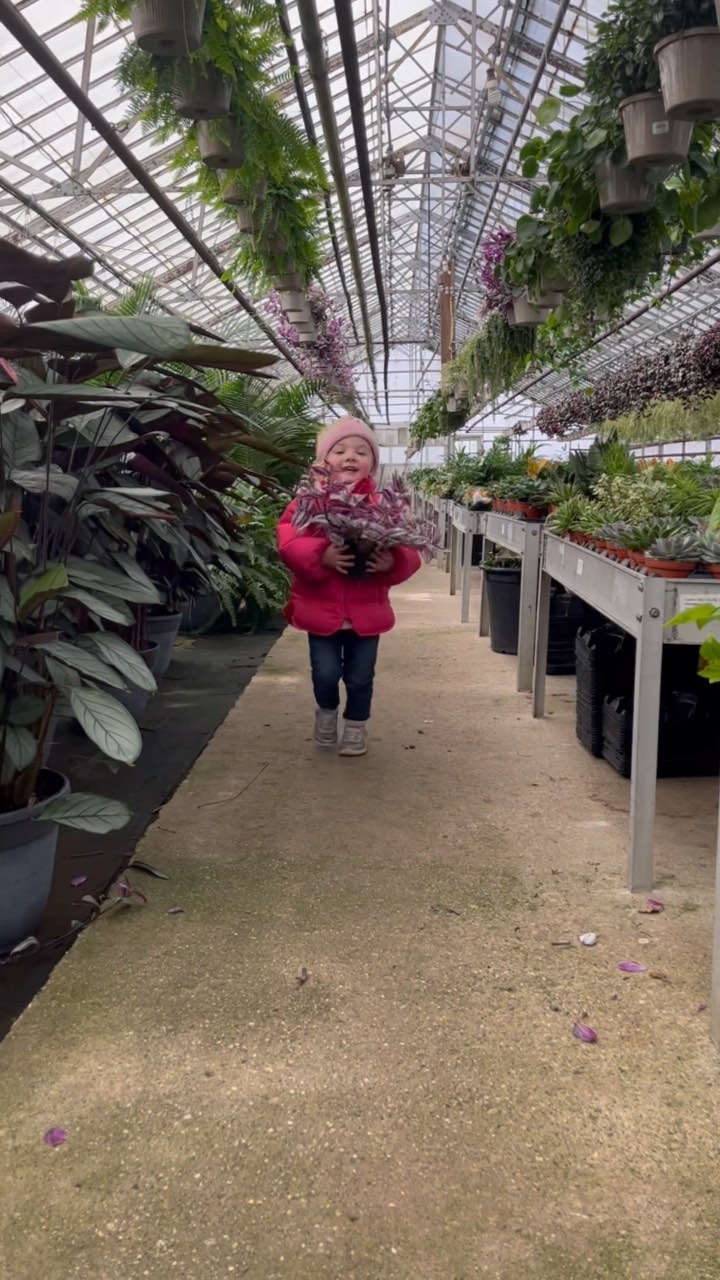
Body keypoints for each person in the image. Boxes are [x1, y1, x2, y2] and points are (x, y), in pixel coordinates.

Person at [277, 418, 422, 757]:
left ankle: (356, 726)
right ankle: (326, 714)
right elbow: (288, 539)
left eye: (361, 451)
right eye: (339, 450)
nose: (350, 457)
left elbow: (410, 548)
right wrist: (321, 554)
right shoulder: (308, 502)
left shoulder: (383, 504)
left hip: (365, 609)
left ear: (373, 462)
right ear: (323, 461)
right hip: (321, 608)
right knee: (325, 674)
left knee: (360, 677)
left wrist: (393, 561)